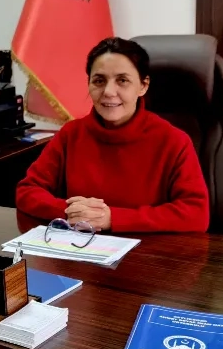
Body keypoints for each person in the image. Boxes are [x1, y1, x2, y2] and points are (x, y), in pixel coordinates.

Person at [15, 37, 209, 233]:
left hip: (148, 250)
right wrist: (71, 212)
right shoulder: (71, 134)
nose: (108, 91)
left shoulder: (174, 141)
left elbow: (196, 214)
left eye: (122, 80)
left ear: (143, 85)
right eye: (99, 81)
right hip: (80, 246)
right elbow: (27, 191)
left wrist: (113, 218)